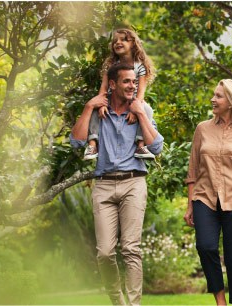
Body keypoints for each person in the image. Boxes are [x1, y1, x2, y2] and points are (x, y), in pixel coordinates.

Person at [70, 63, 164, 306]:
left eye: (134, 81)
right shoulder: (98, 112)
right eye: (126, 82)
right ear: (112, 85)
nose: (133, 86)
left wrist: (141, 113)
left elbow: (156, 147)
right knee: (104, 253)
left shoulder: (144, 109)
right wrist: (89, 105)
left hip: (134, 182)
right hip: (103, 184)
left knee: (131, 249)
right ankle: (117, 301)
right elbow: (76, 142)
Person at [183, 79, 232, 305]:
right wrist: (190, 205)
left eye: (218, 96)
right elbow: (192, 172)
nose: (213, 99)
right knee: (205, 246)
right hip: (204, 198)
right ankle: (220, 302)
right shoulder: (202, 129)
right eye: (214, 95)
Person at [84, 28, 155, 161]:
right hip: (113, 99)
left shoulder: (140, 66)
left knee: (147, 110)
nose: (118, 42)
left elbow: (140, 93)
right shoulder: (110, 65)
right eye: (115, 41)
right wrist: (101, 104)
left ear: (133, 43)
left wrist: (135, 110)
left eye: (123, 39)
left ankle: (141, 145)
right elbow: (103, 88)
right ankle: (92, 144)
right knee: (94, 107)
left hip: (133, 100)